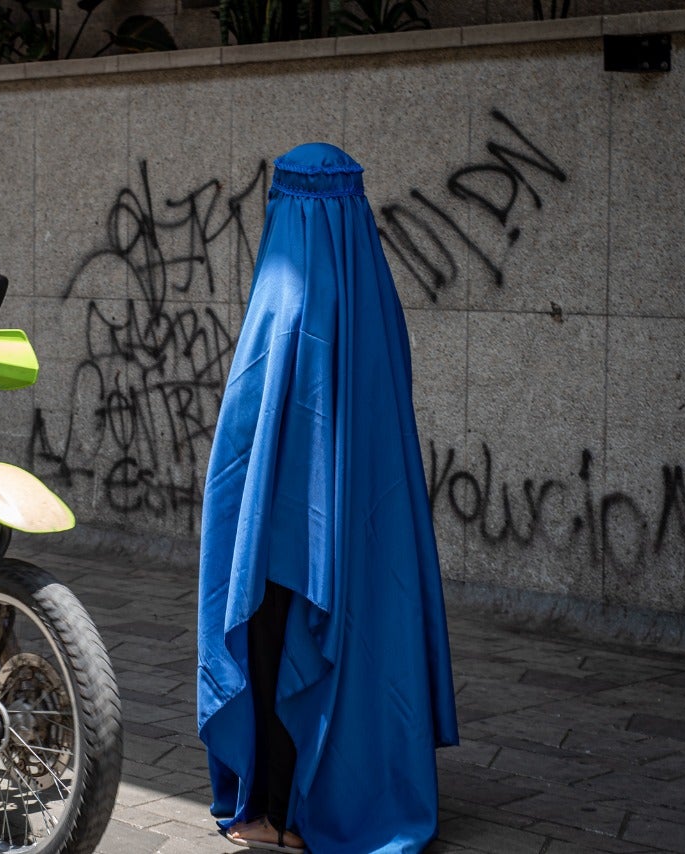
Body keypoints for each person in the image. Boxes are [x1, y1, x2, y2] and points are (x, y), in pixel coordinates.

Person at [197, 143, 460, 853]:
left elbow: (245, 440)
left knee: (274, 634)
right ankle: (346, 793)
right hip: (363, 530)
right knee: (356, 637)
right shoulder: (374, 295)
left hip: (283, 536)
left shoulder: (281, 294)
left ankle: (281, 815)